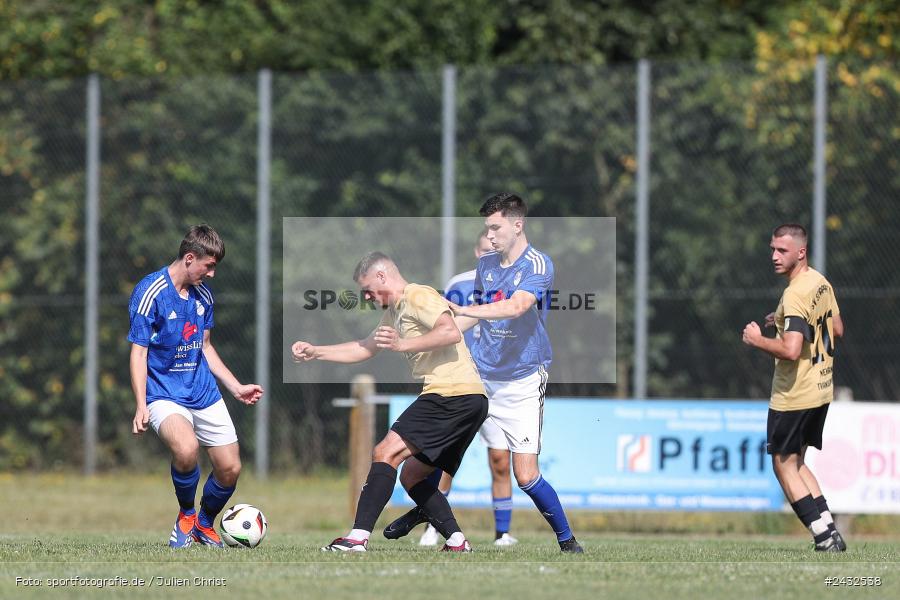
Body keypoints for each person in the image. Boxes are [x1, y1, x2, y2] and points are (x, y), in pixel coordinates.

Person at [384, 193, 583, 554]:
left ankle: (568, 541)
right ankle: (424, 514)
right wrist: (429, 341)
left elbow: (516, 306)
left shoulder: (538, 264)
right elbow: (471, 317)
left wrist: (466, 309)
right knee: (439, 457)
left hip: (522, 380)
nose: (489, 236)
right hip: (479, 377)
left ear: (517, 225)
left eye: (495, 228)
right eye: (487, 228)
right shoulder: (487, 264)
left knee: (525, 476)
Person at [292, 252, 488, 552]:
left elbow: (450, 332)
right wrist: (316, 351)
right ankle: (457, 541)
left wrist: (402, 343)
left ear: (382, 276)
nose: (367, 297)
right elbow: (364, 348)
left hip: (452, 393)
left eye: (368, 289)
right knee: (412, 476)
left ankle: (357, 537)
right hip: (467, 399)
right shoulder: (394, 312)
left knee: (385, 452)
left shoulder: (418, 295)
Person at [129, 224, 263, 548]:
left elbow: (204, 347)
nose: (212, 274)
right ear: (190, 258)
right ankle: (186, 516)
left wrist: (235, 386)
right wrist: (141, 404)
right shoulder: (150, 292)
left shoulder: (203, 296)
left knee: (230, 468)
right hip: (163, 394)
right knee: (187, 448)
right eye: (209, 265)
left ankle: (204, 524)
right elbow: (139, 352)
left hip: (202, 391)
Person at [742, 223, 846, 552]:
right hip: (821, 388)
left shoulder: (795, 293)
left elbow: (790, 350)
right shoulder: (819, 282)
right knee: (798, 463)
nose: (774, 256)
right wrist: (784, 320)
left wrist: (757, 339)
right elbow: (837, 328)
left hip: (795, 394)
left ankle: (822, 537)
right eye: (773, 249)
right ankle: (831, 530)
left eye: (782, 250)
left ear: (801, 252)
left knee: (783, 464)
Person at [413, 229, 520, 548]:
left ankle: (502, 533)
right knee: (445, 458)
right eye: (486, 250)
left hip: (498, 382)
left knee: (500, 459)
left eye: (496, 250)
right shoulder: (458, 285)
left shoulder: (514, 286)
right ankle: (433, 526)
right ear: (477, 252)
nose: (491, 255)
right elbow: (444, 328)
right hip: (462, 381)